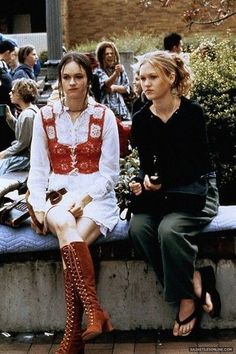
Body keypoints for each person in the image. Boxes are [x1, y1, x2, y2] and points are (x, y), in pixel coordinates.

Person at [27, 52, 120, 353]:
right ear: (60, 80)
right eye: (66, 77)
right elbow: (39, 169)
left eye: (78, 77)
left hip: (97, 197)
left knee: (70, 250)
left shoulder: (105, 116)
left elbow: (110, 173)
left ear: (88, 80)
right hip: (58, 194)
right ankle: (94, 312)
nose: (72, 83)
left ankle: (73, 337)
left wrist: (85, 198)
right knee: (66, 224)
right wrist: (39, 208)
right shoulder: (45, 116)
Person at [128, 51, 221, 337]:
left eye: (153, 77)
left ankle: (184, 301)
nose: (146, 83)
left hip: (196, 190)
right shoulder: (141, 118)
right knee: (139, 228)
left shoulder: (192, 113)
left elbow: (198, 164)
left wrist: (163, 180)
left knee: (169, 231)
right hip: (163, 194)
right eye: (142, 78)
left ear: (171, 77)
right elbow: (145, 165)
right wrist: (141, 180)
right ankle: (193, 277)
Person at [0, 78, 39, 175]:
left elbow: (22, 144)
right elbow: (22, 131)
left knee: (2, 165)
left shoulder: (27, 115)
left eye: (13, 92)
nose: (10, 94)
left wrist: (4, 153)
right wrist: (10, 118)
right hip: (26, 156)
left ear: (21, 94)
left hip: (28, 159)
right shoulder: (29, 110)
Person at [95, 41, 131, 121]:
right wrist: (116, 74)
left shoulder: (121, 70)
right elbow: (106, 84)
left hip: (121, 111)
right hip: (105, 112)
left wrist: (114, 87)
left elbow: (126, 88)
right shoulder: (98, 71)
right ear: (101, 56)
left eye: (112, 53)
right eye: (106, 54)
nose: (110, 56)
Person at [0, 40, 16, 150]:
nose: (13, 57)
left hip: (7, 111)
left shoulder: (4, 66)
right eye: (13, 54)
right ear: (7, 52)